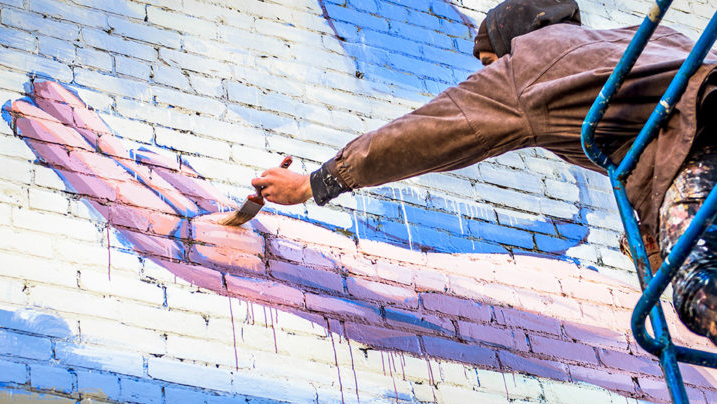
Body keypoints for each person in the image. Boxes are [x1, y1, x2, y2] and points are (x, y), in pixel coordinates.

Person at [251, 0, 717, 344]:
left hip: (703, 146)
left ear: (511, 40)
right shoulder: (652, 35)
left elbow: (424, 134)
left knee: (699, 289)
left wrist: (314, 184)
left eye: (488, 62)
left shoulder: (527, 68)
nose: (487, 73)